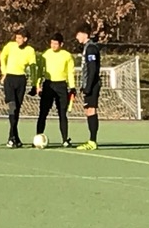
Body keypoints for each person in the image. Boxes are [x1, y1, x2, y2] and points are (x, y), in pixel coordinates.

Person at [35, 32, 76, 147]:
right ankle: (38, 136)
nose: (53, 45)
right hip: (48, 85)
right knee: (43, 112)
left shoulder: (67, 56)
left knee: (62, 113)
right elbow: (40, 72)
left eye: (56, 44)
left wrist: (72, 87)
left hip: (61, 86)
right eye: (52, 43)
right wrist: (37, 85)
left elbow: (70, 72)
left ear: (61, 44)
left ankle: (65, 140)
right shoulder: (45, 54)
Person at [0, 28, 37, 148]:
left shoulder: (30, 50)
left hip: (21, 80)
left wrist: (34, 83)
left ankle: (14, 137)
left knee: (17, 110)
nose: (17, 40)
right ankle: (12, 137)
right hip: (10, 78)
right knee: (12, 107)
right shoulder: (10, 46)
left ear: (25, 39)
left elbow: (33, 67)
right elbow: (2, 57)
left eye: (20, 38)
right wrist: (4, 72)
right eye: (16, 37)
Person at [75, 23, 101, 151]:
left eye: (78, 34)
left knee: (91, 110)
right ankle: (91, 139)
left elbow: (92, 68)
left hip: (93, 84)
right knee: (88, 111)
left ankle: (93, 141)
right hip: (89, 84)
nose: (76, 37)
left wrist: (89, 86)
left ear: (84, 34)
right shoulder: (86, 48)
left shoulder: (91, 48)